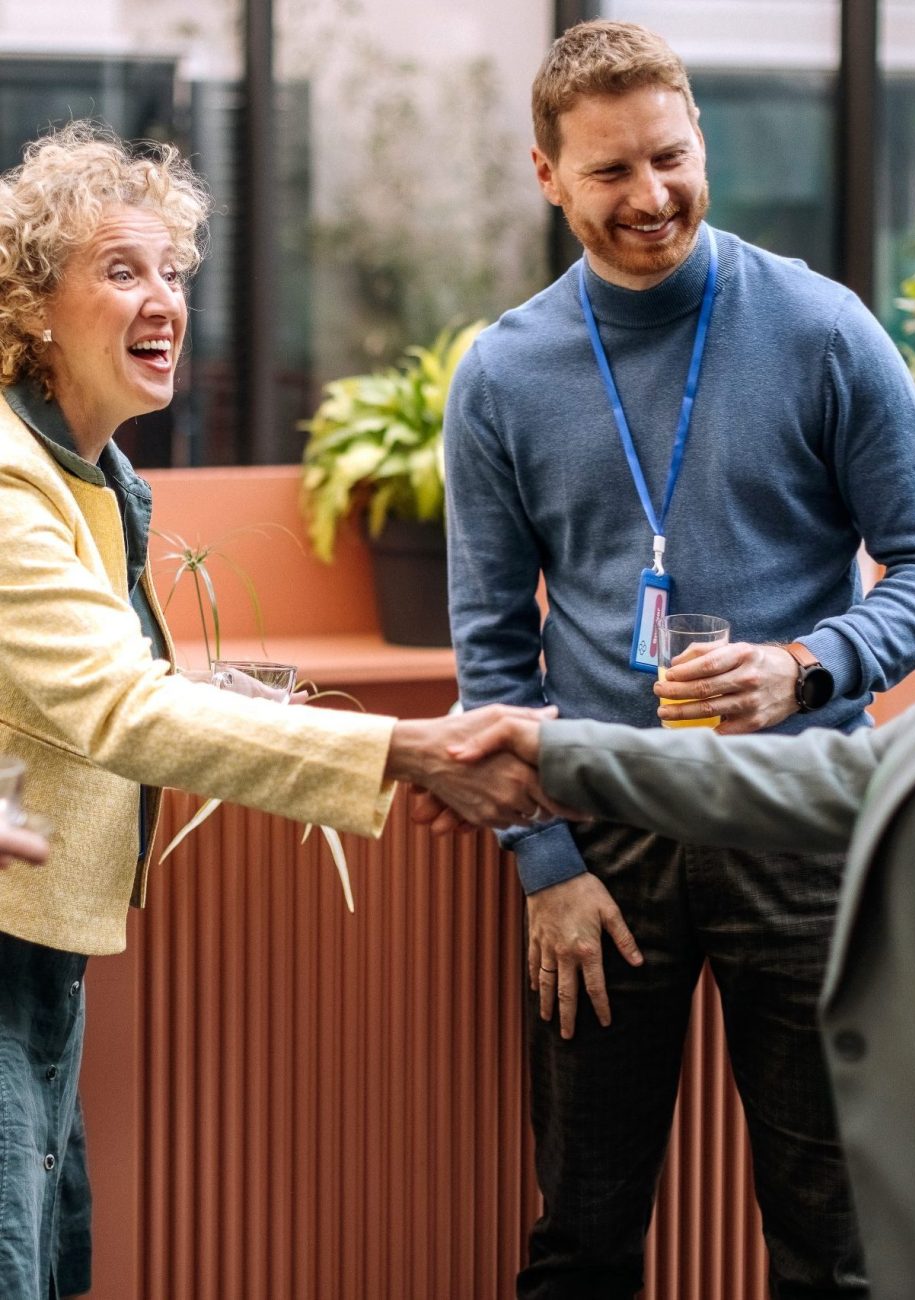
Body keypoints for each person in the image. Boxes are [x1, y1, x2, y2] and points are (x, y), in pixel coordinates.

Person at [443, 19, 915, 1299]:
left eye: (671, 158)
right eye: (610, 171)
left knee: (837, 1235)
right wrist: (544, 867)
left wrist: (806, 665)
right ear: (547, 175)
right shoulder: (504, 372)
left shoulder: (821, 325)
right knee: (578, 1235)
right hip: (604, 841)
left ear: (704, 141)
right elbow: (488, 648)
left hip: (802, 824)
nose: (651, 197)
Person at [0, 121, 560, 1300]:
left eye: (174, 272)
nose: (164, 300)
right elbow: (113, 707)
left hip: (41, 944)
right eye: (120, 270)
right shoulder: (11, 481)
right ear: (33, 306)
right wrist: (407, 747)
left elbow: (71, 683)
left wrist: (203, 692)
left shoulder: (95, 475)